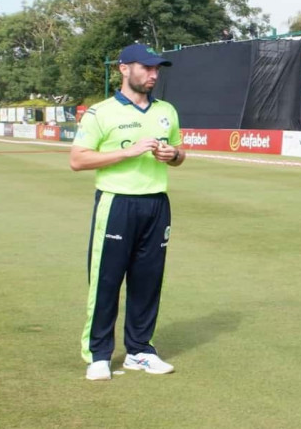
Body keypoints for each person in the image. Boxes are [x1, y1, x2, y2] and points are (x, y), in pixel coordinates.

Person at [70, 43, 185, 381]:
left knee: (148, 282)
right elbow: (78, 160)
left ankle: (139, 351)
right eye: (146, 68)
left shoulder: (167, 111)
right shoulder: (100, 112)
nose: (153, 75)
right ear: (124, 69)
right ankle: (98, 355)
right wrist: (129, 152)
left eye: (156, 70)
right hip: (116, 202)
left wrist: (172, 156)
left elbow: (180, 152)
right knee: (106, 280)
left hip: (156, 204)